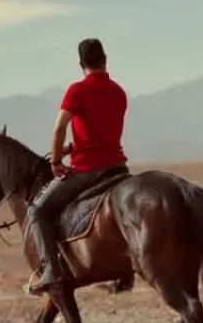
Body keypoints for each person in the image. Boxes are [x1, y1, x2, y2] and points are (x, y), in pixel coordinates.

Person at [23, 38, 130, 295]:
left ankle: (51, 271)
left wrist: (57, 160)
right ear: (105, 60)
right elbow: (103, 131)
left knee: (36, 210)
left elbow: (59, 126)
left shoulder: (77, 90)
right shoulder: (119, 92)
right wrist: (75, 145)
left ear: (81, 63)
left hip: (89, 169)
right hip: (117, 166)